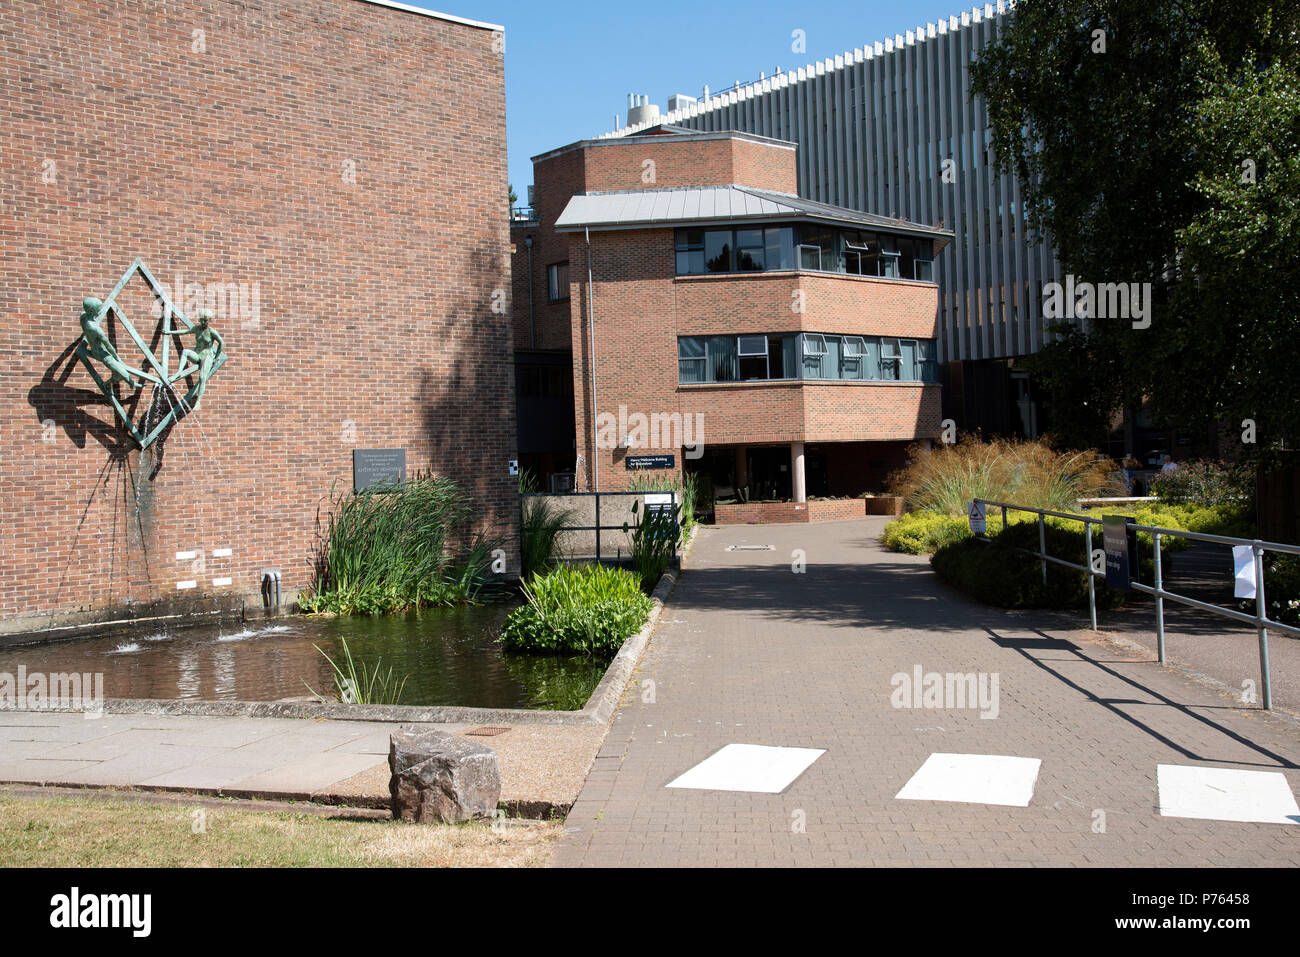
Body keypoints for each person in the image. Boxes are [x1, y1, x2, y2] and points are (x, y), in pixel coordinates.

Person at [166, 308, 224, 410]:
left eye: (206, 320)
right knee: (185, 352)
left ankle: (198, 402)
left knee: (202, 378)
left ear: (209, 321)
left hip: (207, 356)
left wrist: (216, 357)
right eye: (202, 320)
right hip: (198, 354)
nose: (204, 322)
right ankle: (179, 372)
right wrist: (169, 332)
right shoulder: (196, 329)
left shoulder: (212, 332)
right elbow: (185, 332)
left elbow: (221, 343)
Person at [78, 297, 139, 390]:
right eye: (98, 309)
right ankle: (130, 384)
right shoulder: (96, 329)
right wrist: (117, 359)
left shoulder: (83, 317)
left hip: (97, 349)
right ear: (91, 311)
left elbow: (85, 328)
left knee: (119, 372)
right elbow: (109, 346)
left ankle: (108, 383)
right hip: (102, 353)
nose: (100, 310)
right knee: (123, 373)